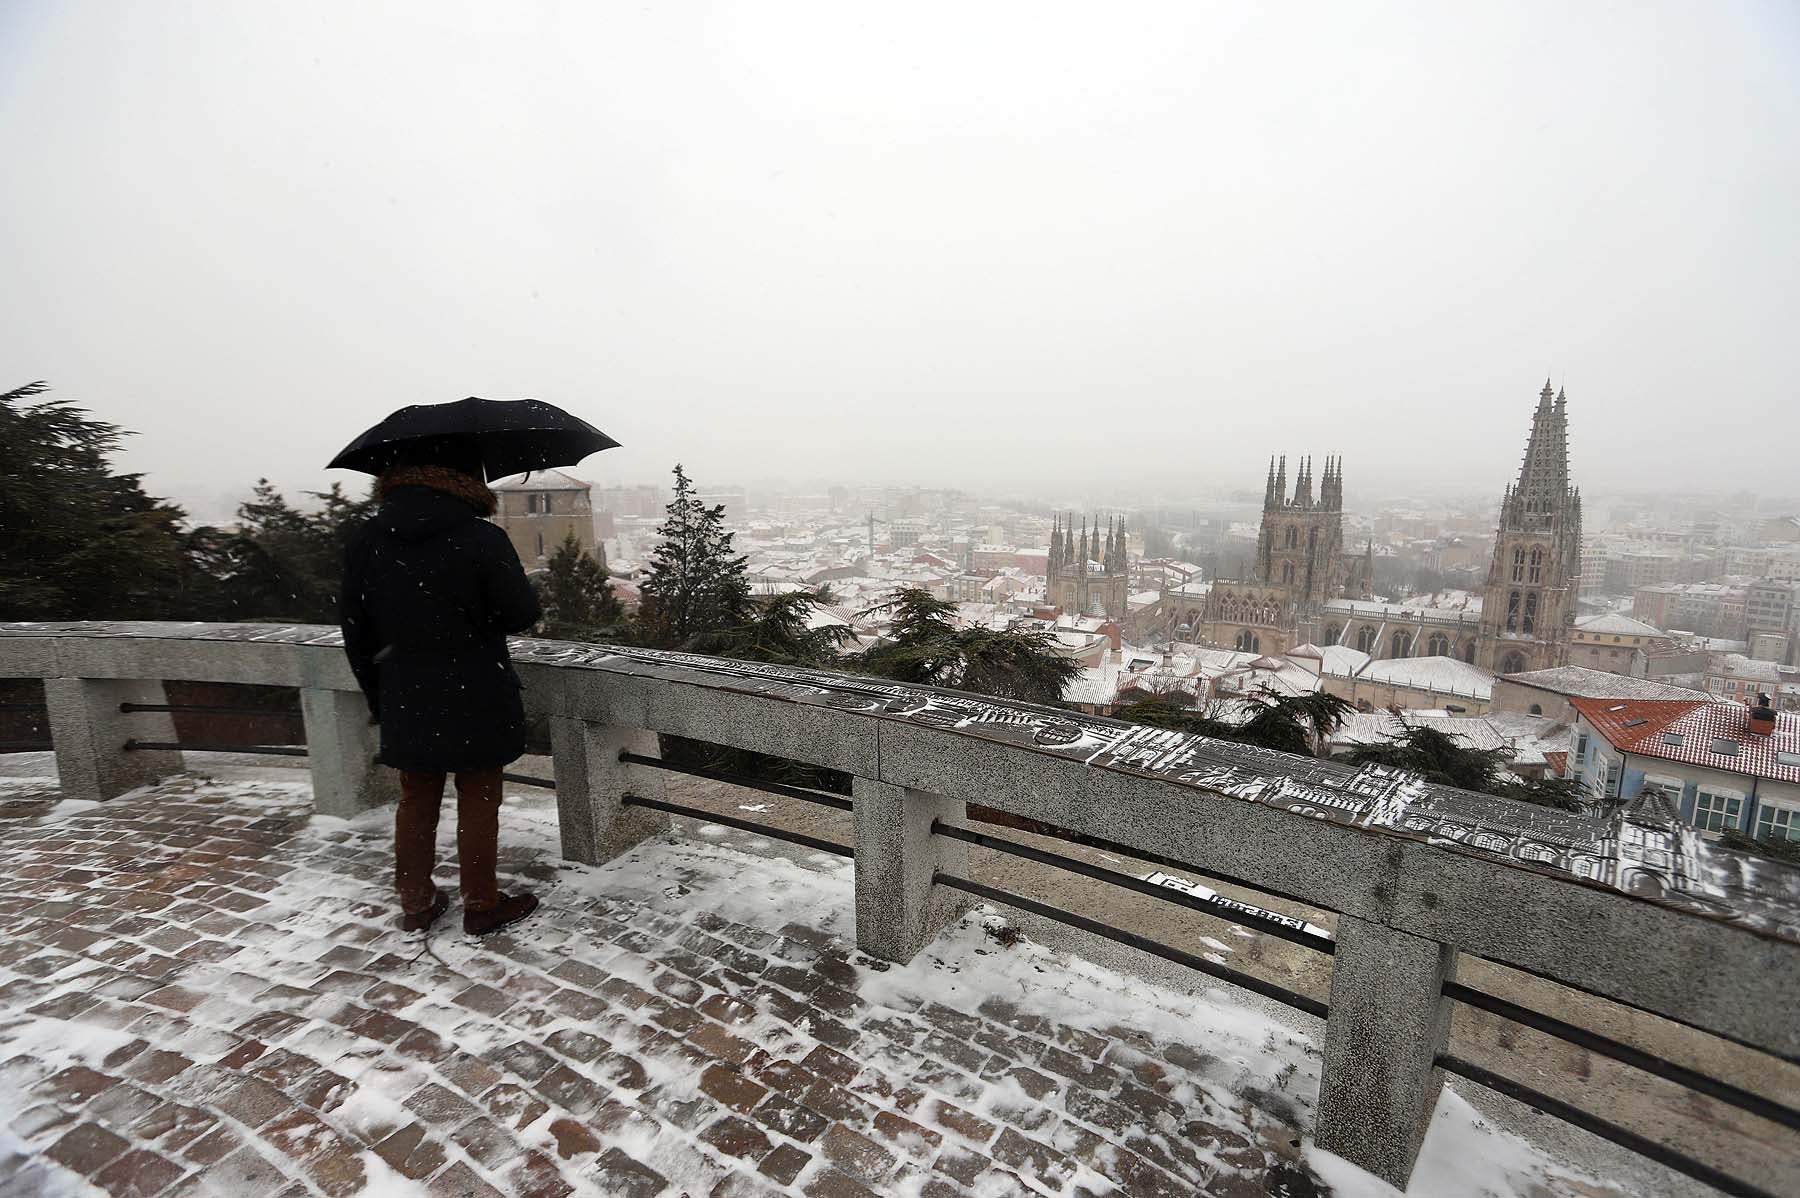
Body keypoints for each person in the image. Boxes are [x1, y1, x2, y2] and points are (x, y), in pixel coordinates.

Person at [339, 435, 543, 936]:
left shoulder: (366, 540)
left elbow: (354, 629)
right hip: (475, 684)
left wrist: (379, 695)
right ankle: (481, 903)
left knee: (415, 798)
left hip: (404, 688)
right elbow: (521, 613)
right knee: (479, 795)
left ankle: (416, 901)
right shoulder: (481, 539)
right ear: (467, 480)